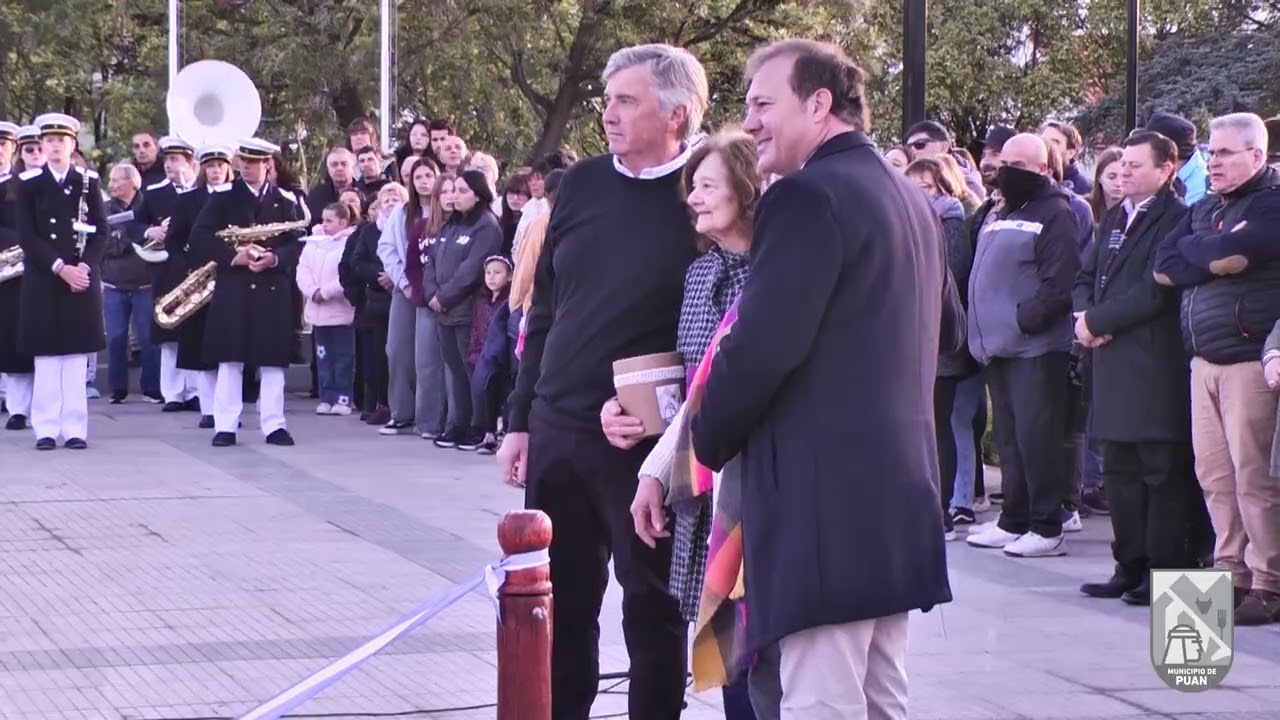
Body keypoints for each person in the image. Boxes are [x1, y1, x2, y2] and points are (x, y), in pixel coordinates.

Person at [684, 41, 959, 719]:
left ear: (819, 104)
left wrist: (705, 440)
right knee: (878, 696)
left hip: (823, 502)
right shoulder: (906, 195)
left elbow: (762, 348)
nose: (749, 122)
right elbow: (950, 331)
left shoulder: (806, 198)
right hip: (896, 494)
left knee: (821, 700)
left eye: (761, 103)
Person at [496, 43, 707, 720]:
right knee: (561, 602)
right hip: (558, 428)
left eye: (626, 101)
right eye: (607, 100)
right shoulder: (583, 183)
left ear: (677, 115)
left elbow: (722, 324)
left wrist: (662, 418)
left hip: (642, 443)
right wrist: (520, 418)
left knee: (652, 607)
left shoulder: (705, 191)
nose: (608, 114)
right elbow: (547, 308)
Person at [625, 129, 764, 717]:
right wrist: (630, 418)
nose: (695, 198)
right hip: (701, 488)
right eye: (692, 187)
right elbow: (690, 386)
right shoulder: (700, 274)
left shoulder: (775, 273)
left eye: (707, 185)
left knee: (760, 654)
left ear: (747, 187)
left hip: (753, 490)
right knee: (724, 651)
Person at [1155, 112, 1280, 625]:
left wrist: (1208, 254)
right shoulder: (1204, 207)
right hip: (1201, 360)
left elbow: (1244, 250)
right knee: (1214, 474)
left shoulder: (1272, 203)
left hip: (1249, 360)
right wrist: (1213, 256)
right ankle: (1230, 571)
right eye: (1211, 151)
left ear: (1257, 155)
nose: (1214, 161)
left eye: (1226, 152)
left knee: (1254, 476)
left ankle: (1269, 581)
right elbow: (1165, 265)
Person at [1074, 131, 1193, 606]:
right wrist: (1082, 317)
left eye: (1136, 165)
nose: (1123, 172)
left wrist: (1097, 321)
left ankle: (1161, 573)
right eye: (1121, 163)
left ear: (1167, 170)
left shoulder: (1178, 219)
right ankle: (1129, 564)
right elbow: (1086, 275)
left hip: (1150, 361)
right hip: (1108, 359)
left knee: (1159, 472)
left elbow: (1155, 290)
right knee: (1120, 469)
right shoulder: (1113, 218)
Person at [965, 133, 1080, 558]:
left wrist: (1020, 319)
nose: (1006, 170)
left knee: (1038, 437)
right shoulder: (998, 210)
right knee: (1011, 439)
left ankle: (1047, 525)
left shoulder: (1056, 212)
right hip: (997, 346)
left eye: (1020, 164)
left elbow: (1059, 282)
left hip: (1034, 347)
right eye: (1003, 160)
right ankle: (1014, 517)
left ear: (1045, 169)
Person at [191, 138, 304, 448]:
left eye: (254, 162)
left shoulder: (285, 200)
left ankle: (274, 425)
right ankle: (225, 425)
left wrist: (276, 257)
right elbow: (199, 236)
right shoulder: (223, 197)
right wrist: (233, 256)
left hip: (272, 288)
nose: (247, 167)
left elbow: (298, 243)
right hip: (235, 287)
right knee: (230, 359)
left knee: (273, 361)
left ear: (268, 164)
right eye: (244, 162)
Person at [14, 113, 108, 450]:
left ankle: (75, 429)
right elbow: (27, 234)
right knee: (47, 356)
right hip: (46, 277)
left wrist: (83, 267)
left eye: (61, 141)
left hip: (80, 279)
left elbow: (101, 231)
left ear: (72, 145)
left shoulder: (88, 182)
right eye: (49, 141)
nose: (55, 146)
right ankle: (46, 429)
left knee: (75, 357)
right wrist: (59, 266)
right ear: (42, 145)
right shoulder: (28, 183)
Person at [423, 170, 502, 449]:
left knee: (473, 370)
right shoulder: (449, 225)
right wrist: (431, 293)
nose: (455, 196)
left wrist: (443, 297)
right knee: (454, 369)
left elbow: (471, 270)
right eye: (453, 190)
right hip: (442, 310)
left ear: (478, 194)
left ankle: (478, 427)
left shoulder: (486, 226)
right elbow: (431, 262)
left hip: (467, 310)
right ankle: (458, 423)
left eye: (462, 191)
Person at [165, 145, 233, 430]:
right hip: (200, 281)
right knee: (203, 347)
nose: (216, 171)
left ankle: (228, 409)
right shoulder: (188, 200)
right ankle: (209, 409)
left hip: (231, 277)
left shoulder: (237, 198)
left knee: (228, 349)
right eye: (210, 166)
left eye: (220, 165)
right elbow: (174, 241)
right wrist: (188, 269)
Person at [134, 136, 201, 412]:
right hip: (166, 269)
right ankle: (173, 393)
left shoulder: (203, 192)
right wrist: (151, 231)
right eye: (168, 160)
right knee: (169, 330)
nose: (170, 165)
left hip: (197, 268)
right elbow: (134, 224)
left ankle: (197, 390)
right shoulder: (154, 192)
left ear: (190, 163)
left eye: (176, 160)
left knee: (196, 330)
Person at [101, 162, 162, 405]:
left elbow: (158, 241)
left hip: (145, 284)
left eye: (117, 180)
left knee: (149, 338)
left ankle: (152, 388)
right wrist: (131, 238)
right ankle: (117, 389)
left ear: (132, 183)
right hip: (114, 284)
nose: (112, 185)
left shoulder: (148, 206)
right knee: (116, 338)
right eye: (111, 180)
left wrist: (130, 235)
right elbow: (102, 244)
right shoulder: (103, 209)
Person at [298, 202, 358, 416]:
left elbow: (347, 273)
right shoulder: (313, 243)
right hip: (318, 313)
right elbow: (302, 270)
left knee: (343, 358)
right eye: (323, 219)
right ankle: (326, 397)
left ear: (343, 222)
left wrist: (327, 292)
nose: (324, 224)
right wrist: (312, 291)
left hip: (340, 313)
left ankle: (343, 398)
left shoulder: (350, 242)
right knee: (324, 358)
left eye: (329, 220)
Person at [0, 120, 35, 431]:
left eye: (3, 145)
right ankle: (15, 406)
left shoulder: (22, 185)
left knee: (20, 341)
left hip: (19, 274)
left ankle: (23, 408)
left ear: (13, 149)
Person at [462, 255, 513, 453]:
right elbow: (476, 327)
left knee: (506, 395)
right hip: (483, 355)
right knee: (486, 394)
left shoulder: (509, 300)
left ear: (509, 276)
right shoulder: (481, 299)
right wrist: (475, 350)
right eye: (488, 273)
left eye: (498, 273)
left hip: (503, 357)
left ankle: (505, 433)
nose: (491, 277)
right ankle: (489, 432)